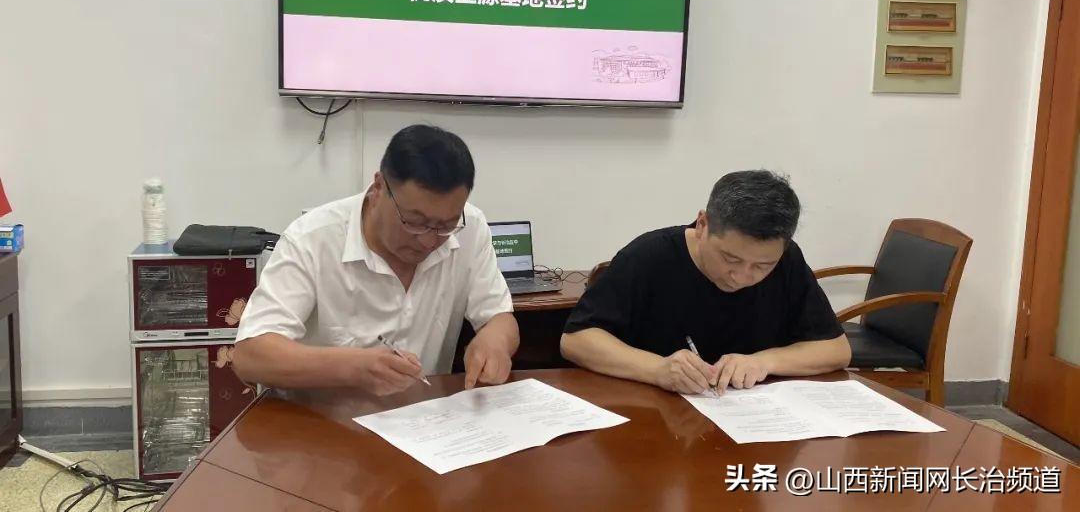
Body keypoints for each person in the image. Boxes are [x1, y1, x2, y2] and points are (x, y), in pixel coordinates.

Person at [233, 125, 519, 395]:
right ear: (378, 188)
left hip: (423, 417)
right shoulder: (313, 238)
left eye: (446, 226)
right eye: (414, 222)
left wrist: (495, 342)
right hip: (320, 419)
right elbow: (250, 355)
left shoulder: (472, 227)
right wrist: (352, 368)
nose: (429, 241)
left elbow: (499, 317)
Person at [561, 170, 850, 394]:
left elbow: (836, 350)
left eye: (763, 266)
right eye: (730, 259)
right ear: (702, 225)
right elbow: (576, 340)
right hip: (658, 422)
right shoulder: (649, 256)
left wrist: (763, 361)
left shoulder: (788, 261)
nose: (743, 276)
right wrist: (658, 369)